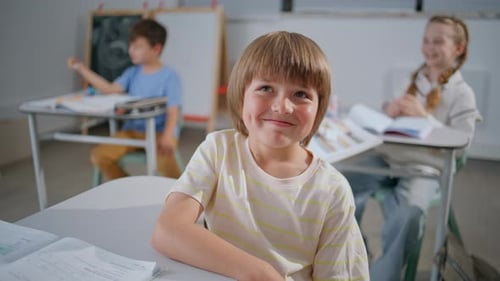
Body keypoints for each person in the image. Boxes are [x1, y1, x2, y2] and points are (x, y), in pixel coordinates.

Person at [151, 31, 369, 281]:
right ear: (241, 94)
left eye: (301, 94)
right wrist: (261, 273)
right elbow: (168, 230)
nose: (282, 106)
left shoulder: (332, 191)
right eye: (266, 88)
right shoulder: (219, 150)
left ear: (320, 107)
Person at [343, 15, 481, 281]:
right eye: (426, 40)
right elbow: (394, 115)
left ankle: (384, 275)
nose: (429, 47)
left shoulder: (462, 93)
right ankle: (355, 259)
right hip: (389, 157)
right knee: (339, 184)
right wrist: (389, 109)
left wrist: (424, 118)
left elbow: (462, 143)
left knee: (408, 214)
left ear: (458, 49)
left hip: (424, 168)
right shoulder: (413, 79)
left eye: (438, 41)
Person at [67, 19, 182, 180]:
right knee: (99, 156)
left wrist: (168, 135)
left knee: (165, 162)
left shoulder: (169, 76)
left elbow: (173, 110)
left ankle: (184, 197)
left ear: (156, 49)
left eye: (138, 47)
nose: (131, 51)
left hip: (159, 133)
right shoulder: (132, 72)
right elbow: (109, 89)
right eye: (131, 46)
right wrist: (82, 69)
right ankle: (128, 189)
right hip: (131, 133)